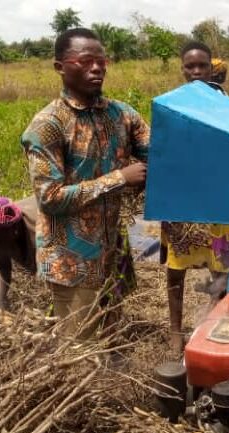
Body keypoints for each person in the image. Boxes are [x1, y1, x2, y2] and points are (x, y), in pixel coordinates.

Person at [20, 28, 149, 340]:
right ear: (60, 67)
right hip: (72, 260)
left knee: (113, 336)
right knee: (80, 347)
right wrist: (121, 178)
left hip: (112, 252)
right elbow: (50, 198)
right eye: (86, 61)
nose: (96, 68)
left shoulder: (121, 114)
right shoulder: (47, 126)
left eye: (101, 61)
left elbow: (156, 151)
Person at [162, 41, 229, 353]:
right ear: (183, 68)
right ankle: (176, 330)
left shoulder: (224, 102)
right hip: (182, 195)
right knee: (176, 264)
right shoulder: (172, 104)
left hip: (218, 193)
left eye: (201, 66)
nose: (195, 72)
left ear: (211, 68)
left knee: (221, 261)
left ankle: (216, 319)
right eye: (189, 66)